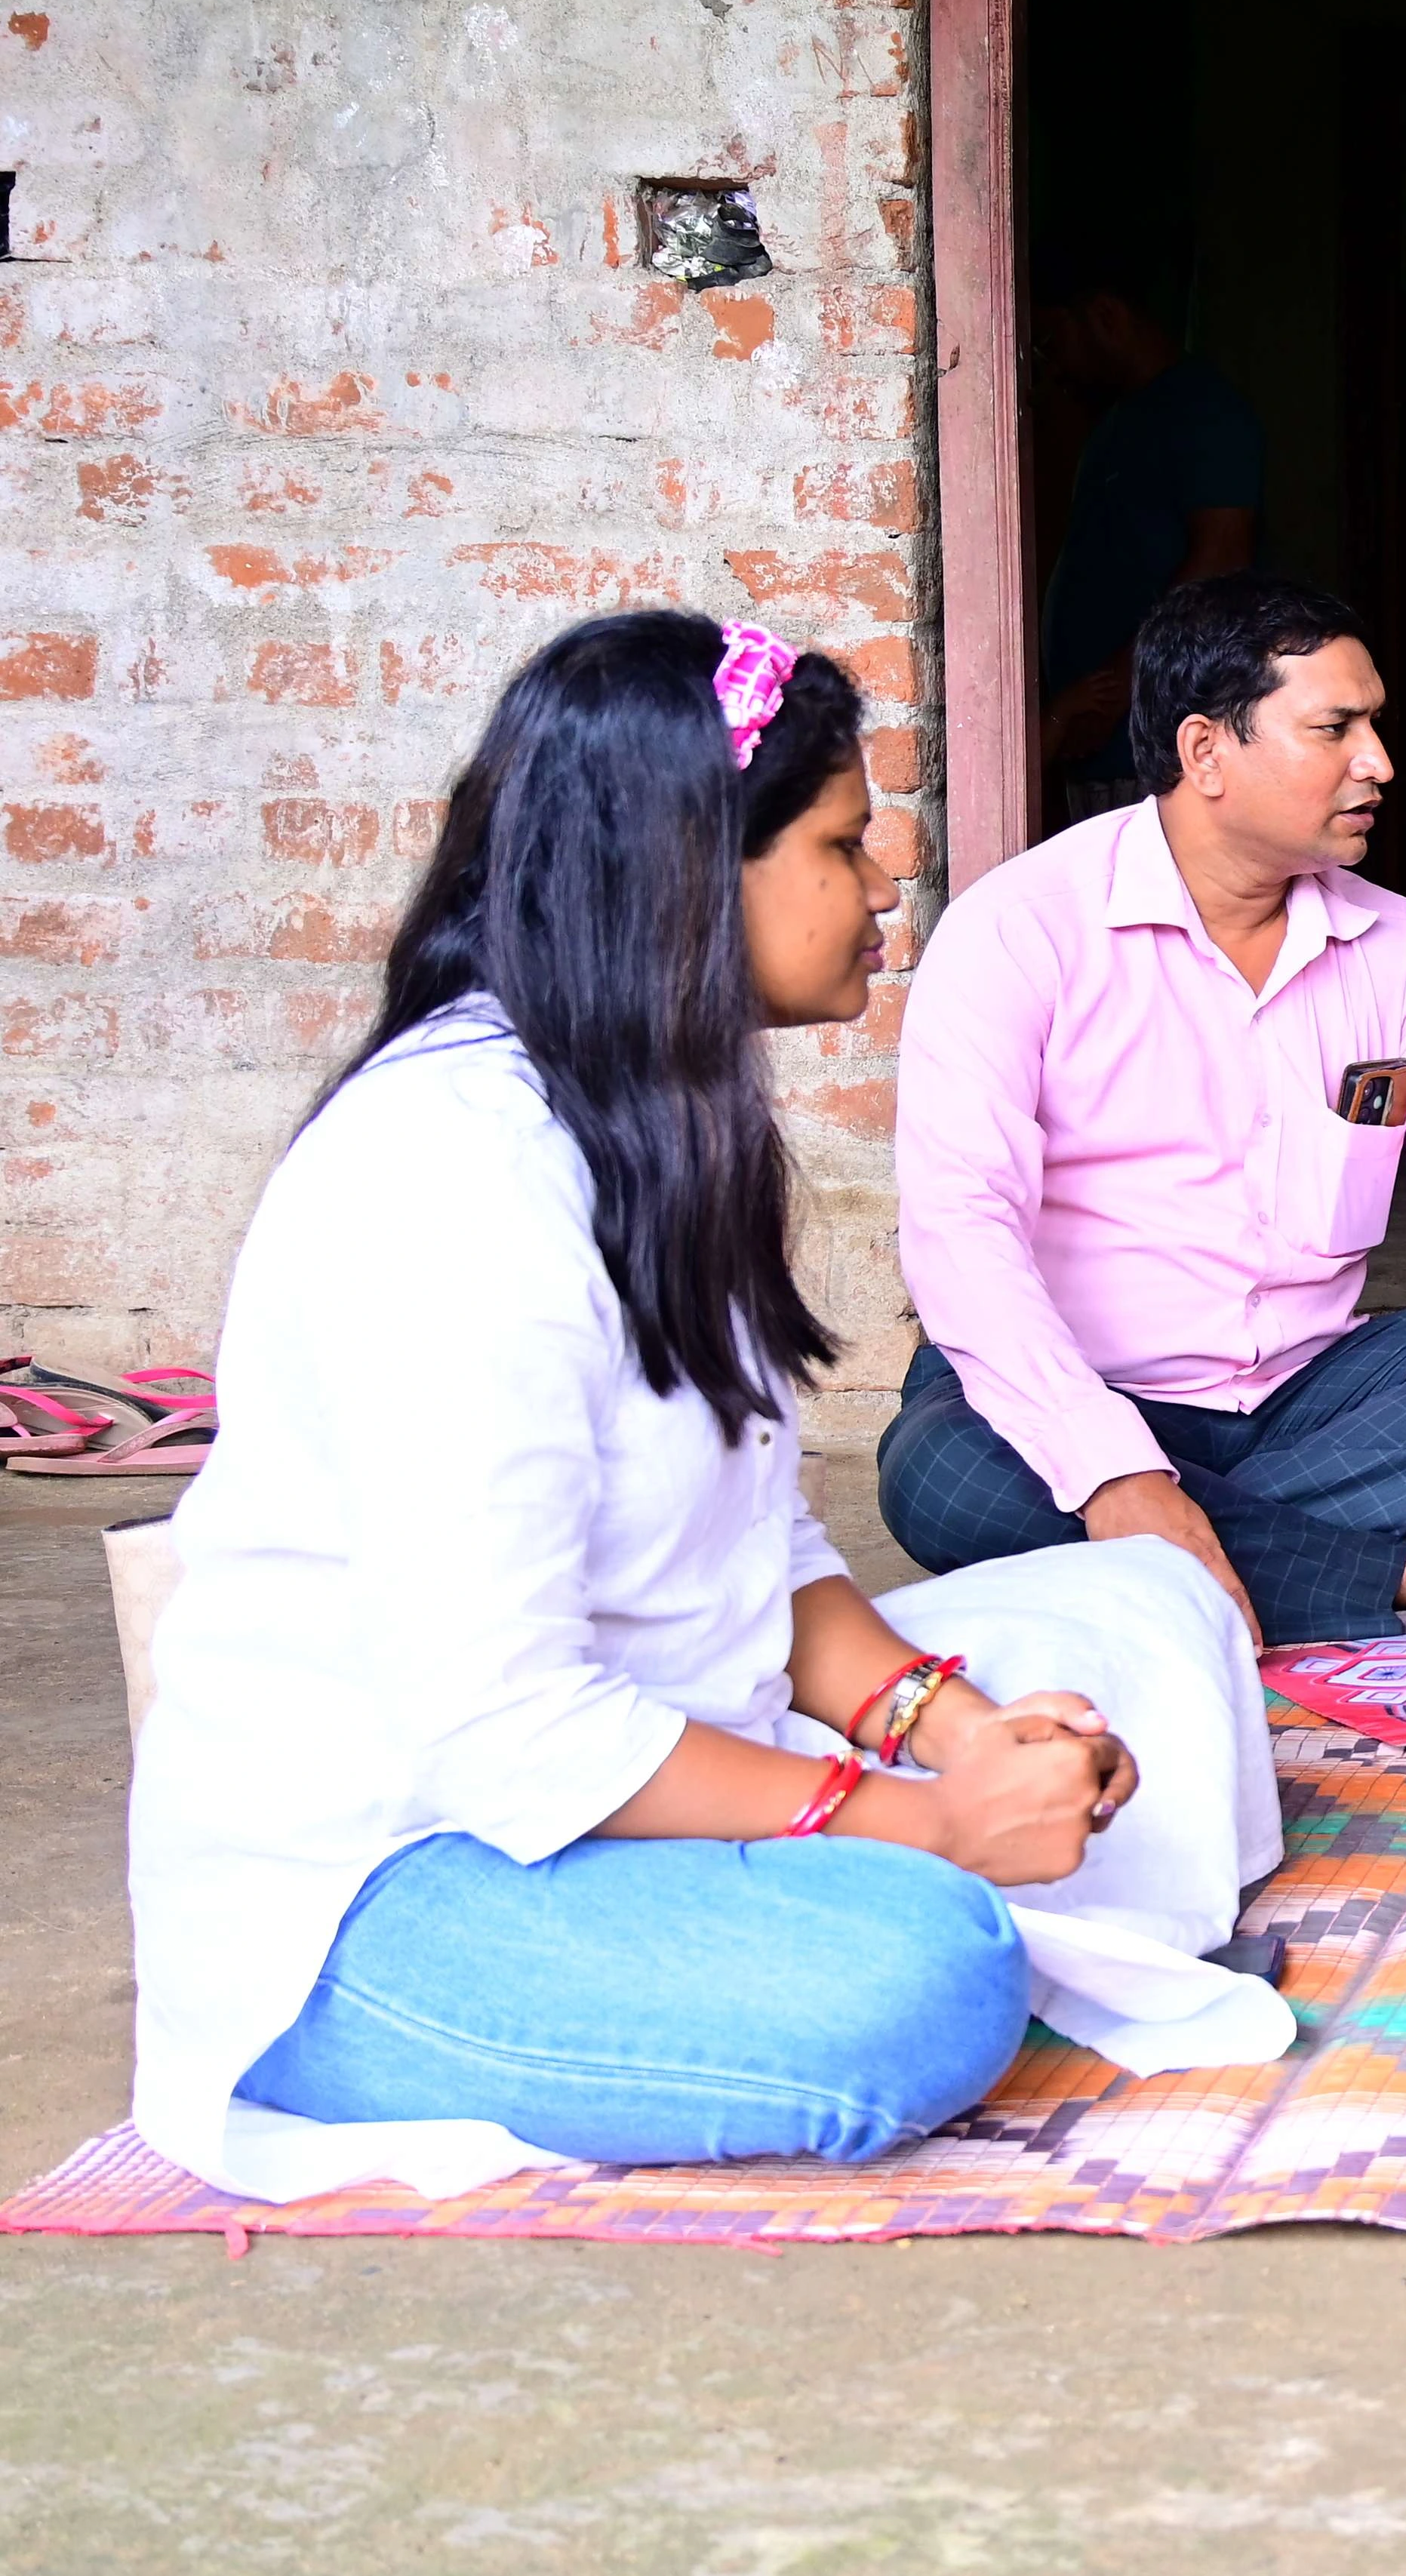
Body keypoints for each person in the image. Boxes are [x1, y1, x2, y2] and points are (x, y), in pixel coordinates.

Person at [130, 614, 1284, 2204]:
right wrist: (930, 1822)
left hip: (632, 1773)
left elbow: (766, 1547)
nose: (887, 883)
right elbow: (504, 1728)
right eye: (837, 842)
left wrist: (954, 1724)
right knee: (922, 1970)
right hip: (388, 1887)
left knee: (1152, 1610)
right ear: (687, 877)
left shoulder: (643, 1120)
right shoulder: (453, 1178)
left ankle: (887, 1869)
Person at [882, 573, 1406, 1648]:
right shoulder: (1018, 933)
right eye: (1335, 728)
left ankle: (1176, 1557)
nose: (1378, 762)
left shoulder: (1400, 946)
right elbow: (962, 1237)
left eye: (1374, 725)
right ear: (1207, 753)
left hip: (1305, 1395)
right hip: (1085, 1381)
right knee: (945, 1479)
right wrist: (1110, 1470)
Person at [1035, 260, 1264, 806]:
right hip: (1099, 742)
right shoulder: (1115, 423)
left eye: (1052, 339)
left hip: (1150, 745)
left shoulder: (1202, 411)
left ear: (1106, 317)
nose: (1050, 362)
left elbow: (1222, 556)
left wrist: (1120, 691)